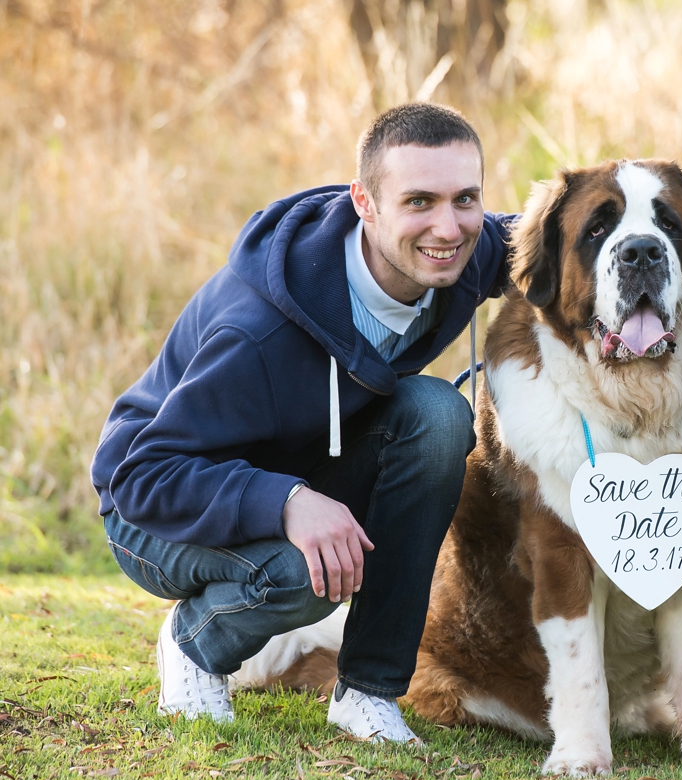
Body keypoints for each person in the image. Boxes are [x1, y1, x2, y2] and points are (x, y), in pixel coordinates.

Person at [91, 102, 517, 742]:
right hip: (155, 505)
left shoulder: (457, 250)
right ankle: (194, 643)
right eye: (419, 201)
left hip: (300, 471)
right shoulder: (257, 330)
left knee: (436, 416)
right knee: (304, 576)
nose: (449, 227)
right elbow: (142, 476)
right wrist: (287, 502)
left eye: (466, 199)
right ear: (364, 204)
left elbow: (559, 236)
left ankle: (368, 689)